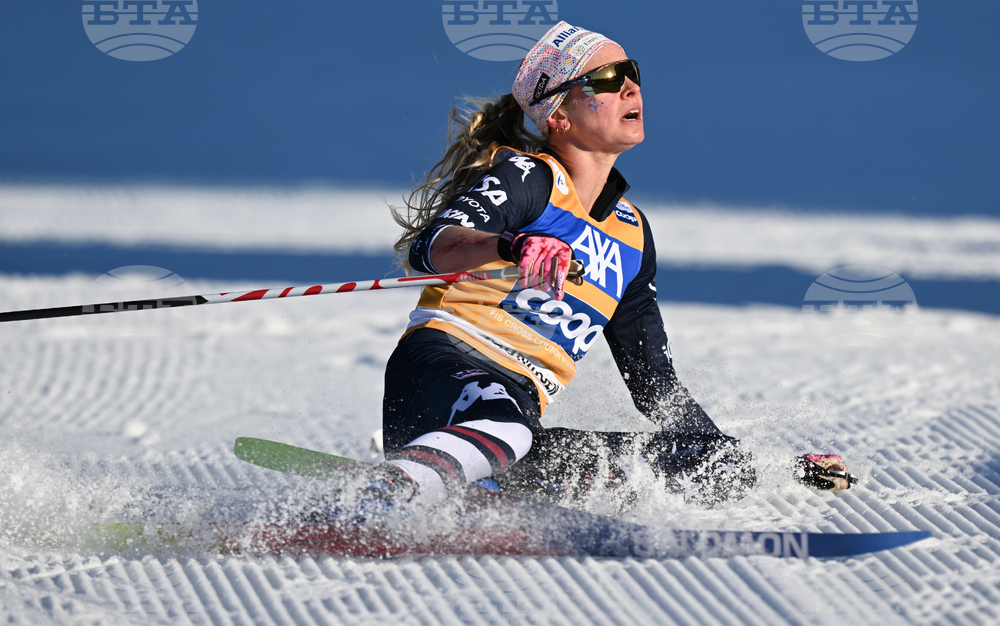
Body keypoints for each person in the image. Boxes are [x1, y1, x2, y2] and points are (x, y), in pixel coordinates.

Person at [375, 22, 847, 511]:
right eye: (603, 79)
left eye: (631, 73)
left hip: (517, 413)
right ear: (557, 114)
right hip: (445, 368)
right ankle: (390, 491)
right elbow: (433, 247)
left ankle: (461, 479)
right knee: (509, 427)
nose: (630, 86)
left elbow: (653, 382)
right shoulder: (529, 178)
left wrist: (738, 461)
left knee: (682, 466)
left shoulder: (633, 235)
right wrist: (514, 245)